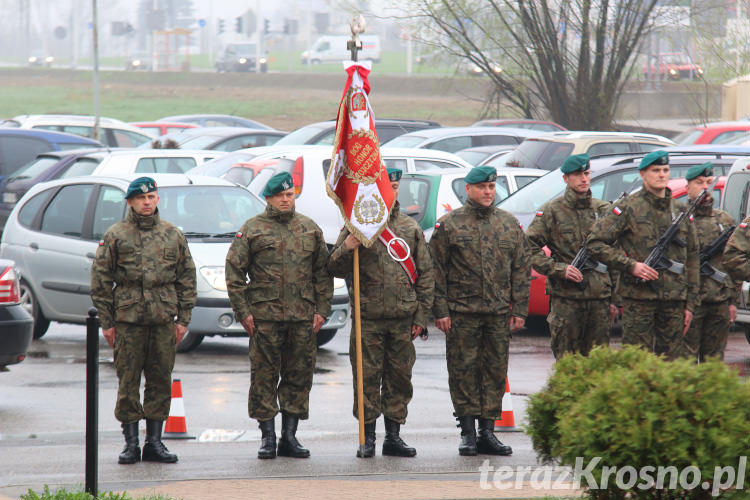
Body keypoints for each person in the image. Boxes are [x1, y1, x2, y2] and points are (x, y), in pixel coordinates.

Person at [328, 167, 434, 459]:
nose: (392, 191)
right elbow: (332, 267)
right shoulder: (355, 226)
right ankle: (368, 438)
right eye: (387, 186)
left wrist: (421, 318)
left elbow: (426, 276)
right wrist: (348, 248)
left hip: (402, 320)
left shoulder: (410, 229)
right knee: (366, 379)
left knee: (400, 379)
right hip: (368, 320)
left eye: (395, 186)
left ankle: (394, 437)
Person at [225, 171, 333, 460]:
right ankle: (268, 437)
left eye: (290, 195)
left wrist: (322, 310)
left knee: (298, 376)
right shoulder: (253, 229)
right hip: (264, 317)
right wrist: (242, 311)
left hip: (302, 317)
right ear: (268, 198)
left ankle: (289, 436)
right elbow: (234, 272)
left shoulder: (309, 228)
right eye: (281, 195)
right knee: (264, 376)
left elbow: (323, 273)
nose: (287, 199)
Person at [90, 176, 197, 465]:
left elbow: (187, 279)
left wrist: (183, 319)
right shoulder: (116, 235)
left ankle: (154, 442)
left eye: (151, 198)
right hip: (128, 322)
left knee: (160, 381)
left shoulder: (173, 234)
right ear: (130, 202)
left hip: (163, 321)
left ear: (157, 199)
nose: (147, 202)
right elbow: (100, 281)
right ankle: (131, 444)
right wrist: (108, 322)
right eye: (141, 199)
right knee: (128, 382)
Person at [429, 166, 530, 457]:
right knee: (463, 372)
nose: (488, 192)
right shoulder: (449, 225)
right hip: (462, 313)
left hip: (498, 313)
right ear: (468, 189)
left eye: (492, 186)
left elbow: (521, 269)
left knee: (494, 372)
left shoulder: (508, 223)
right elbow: (436, 271)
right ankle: (468, 433)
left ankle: (488, 432)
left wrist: (519, 308)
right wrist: (441, 310)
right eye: (482, 187)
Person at [586, 151, 699, 359]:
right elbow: (595, 243)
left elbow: (692, 258)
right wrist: (631, 265)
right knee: (637, 361)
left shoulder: (680, 210)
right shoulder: (628, 208)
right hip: (639, 300)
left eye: (665, 170)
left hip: (674, 300)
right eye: (655, 170)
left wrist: (690, 304)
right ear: (643, 174)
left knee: (672, 363)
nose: (662, 175)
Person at [525, 154, 617, 360]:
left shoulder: (602, 210)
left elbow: (615, 256)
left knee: (598, 364)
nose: (584, 179)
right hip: (567, 301)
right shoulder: (552, 211)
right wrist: (559, 269)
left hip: (599, 300)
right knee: (567, 364)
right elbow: (528, 247)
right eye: (577, 175)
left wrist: (614, 299)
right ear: (566, 178)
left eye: (586, 173)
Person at [675, 163, 738, 361]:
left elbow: (733, 263)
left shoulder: (724, 221)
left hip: (718, 301)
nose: (705, 187)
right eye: (699, 183)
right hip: (689, 303)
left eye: (709, 183)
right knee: (686, 360)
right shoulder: (678, 220)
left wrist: (732, 301)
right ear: (687, 188)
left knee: (714, 361)